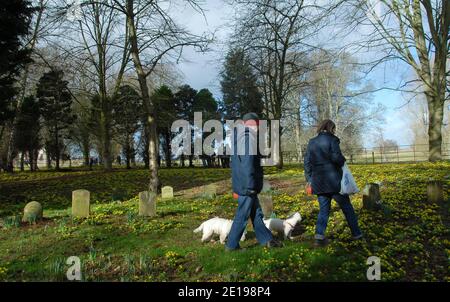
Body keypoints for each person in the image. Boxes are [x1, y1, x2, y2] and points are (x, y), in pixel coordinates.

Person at [226, 113, 282, 251]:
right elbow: (247, 164)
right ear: (254, 124)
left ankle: (267, 240)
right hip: (247, 185)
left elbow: (237, 164)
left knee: (256, 213)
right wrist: (251, 185)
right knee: (242, 215)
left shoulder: (238, 138)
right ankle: (231, 245)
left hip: (243, 183)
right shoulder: (248, 137)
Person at [304, 119, 363, 247]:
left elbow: (307, 163)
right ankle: (357, 234)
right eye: (334, 129)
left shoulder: (312, 142)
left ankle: (319, 238)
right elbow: (336, 158)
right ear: (331, 128)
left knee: (323, 210)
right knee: (347, 208)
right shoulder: (333, 140)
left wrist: (309, 179)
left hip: (319, 182)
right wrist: (343, 160)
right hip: (334, 182)